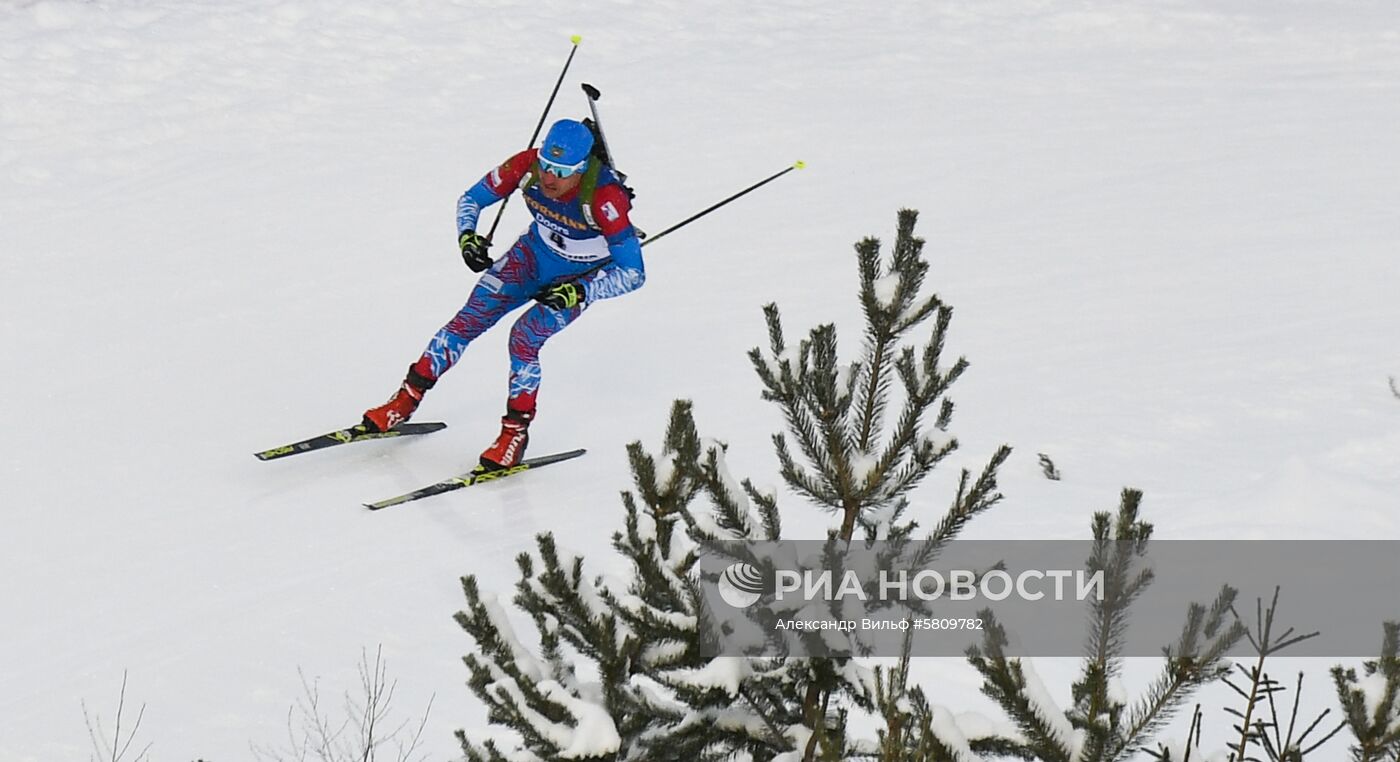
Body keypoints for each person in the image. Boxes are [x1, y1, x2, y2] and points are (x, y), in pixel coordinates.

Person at [361, 118, 645, 470]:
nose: (549, 177)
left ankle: (513, 436)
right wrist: (468, 236)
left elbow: (634, 274)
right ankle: (403, 402)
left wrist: (581, 291)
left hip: (574, 279)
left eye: (561, 171)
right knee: (466, 322)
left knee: (523, 339)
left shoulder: (604, 199)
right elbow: (471, 199)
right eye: (546, 164)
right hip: (530, 258)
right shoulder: (526, 166)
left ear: (582, 168)